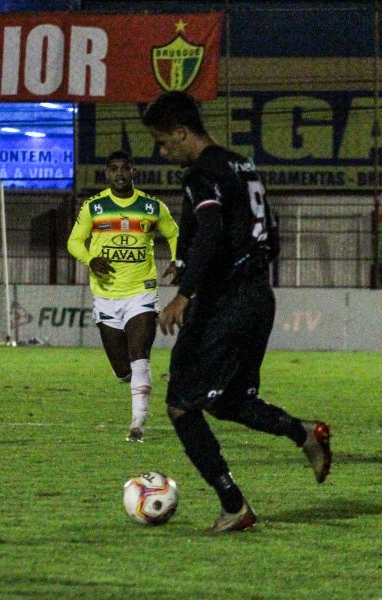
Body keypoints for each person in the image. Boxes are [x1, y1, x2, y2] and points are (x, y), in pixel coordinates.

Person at [141, 91, 331, 532]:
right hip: (257, 297)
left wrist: (186, 293)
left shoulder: (201, 173)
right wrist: (190, 262)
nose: (163, 152)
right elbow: (260, 235)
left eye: (163, 142)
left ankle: (234, 506)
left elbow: (210, 229)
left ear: (181, 133)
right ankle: (305, 433)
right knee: (230, 401)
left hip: (224, 303)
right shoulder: (241, 166)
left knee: (181, 405)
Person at [68, 150, 179, 443]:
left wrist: (177, 259)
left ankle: (137, 426)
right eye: (114, 169)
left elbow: (174, 233)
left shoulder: (152, 207)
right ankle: (135, 383)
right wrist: (91, 259)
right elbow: (74, 242)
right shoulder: (94, 207)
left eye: (125, 168)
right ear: (107, 173)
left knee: (139, 358)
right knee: (122, 370)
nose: (120, 174)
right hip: (106, 296)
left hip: (141, 293)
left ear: (133, 172)